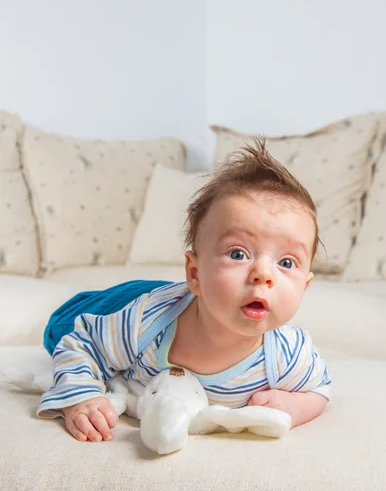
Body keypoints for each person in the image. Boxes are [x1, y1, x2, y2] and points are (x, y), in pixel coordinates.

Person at [37, 139, 331, 442]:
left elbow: (321, 389)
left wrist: (294, 406)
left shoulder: (288, 353)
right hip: (151, 300)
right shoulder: (144, 324)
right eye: (238, 254)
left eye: (286, 261)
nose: (262, 275)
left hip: (196, 297)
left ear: (304, 286)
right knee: (60, 327)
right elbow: (81, 344)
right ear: (195, 273)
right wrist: (80, 398)